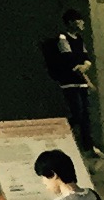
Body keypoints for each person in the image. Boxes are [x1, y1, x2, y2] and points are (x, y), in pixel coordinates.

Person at [40, 9, 96, 151]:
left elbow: (85, 58)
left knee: (86, 117)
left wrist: (86, 66)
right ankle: (59, 136)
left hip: (81, 83)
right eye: (79, 20)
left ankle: (88, 146)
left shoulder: (80, 39)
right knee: (77, 114)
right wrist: (85, 76)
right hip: (69, 83)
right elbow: (70, 60)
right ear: (71, 22)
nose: (82, 23)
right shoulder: (63, 38)